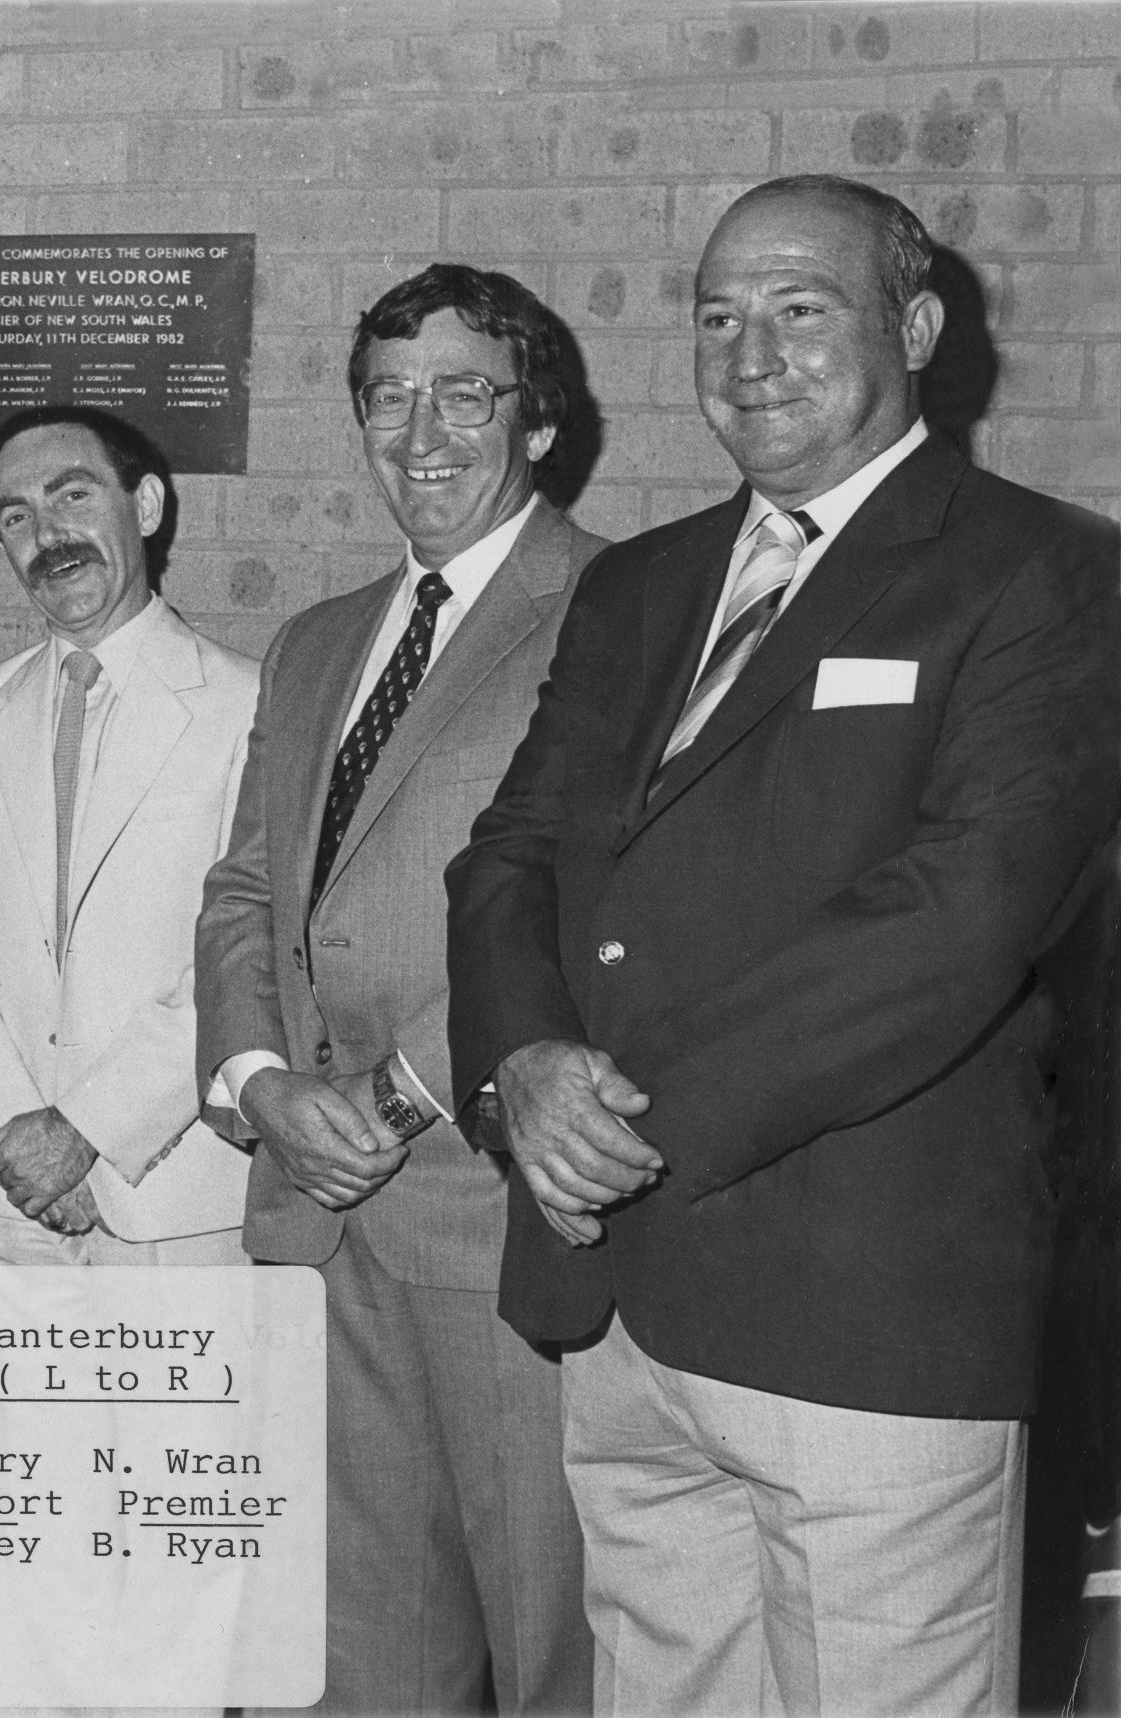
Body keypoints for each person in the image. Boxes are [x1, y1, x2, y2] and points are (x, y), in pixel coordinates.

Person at [445, 173, 1121, 1713]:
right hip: (618, 1306)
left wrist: (624, 1127)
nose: (751, 353)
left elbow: (955, 920)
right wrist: (526, 1070)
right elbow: (513, 853)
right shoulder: (637, 582)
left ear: (920, 327)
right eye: (718, 315)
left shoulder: (1049, 572)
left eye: (802, 309)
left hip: (864, 1313)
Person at [196, 263, 601, 1716]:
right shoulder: (317, 639)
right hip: (313, 1210)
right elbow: (247, 888)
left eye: (462, 392)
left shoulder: (613, 603)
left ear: (537, 420)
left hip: (488, 1214)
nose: (420, 432)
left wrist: (395, 1090)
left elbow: (585, 899)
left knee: (551, 1639)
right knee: (361, 1653)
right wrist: (258, 1086)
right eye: (387, 396)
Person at [0, 406, 257, 1264]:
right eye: (16, 516)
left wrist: (87, 1132)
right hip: (14, 1191)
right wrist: (14, 1135)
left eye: (72, 495)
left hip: (173, 1197)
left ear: (146, 506)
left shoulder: (246, 705)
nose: (47, 535)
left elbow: (245, 952)